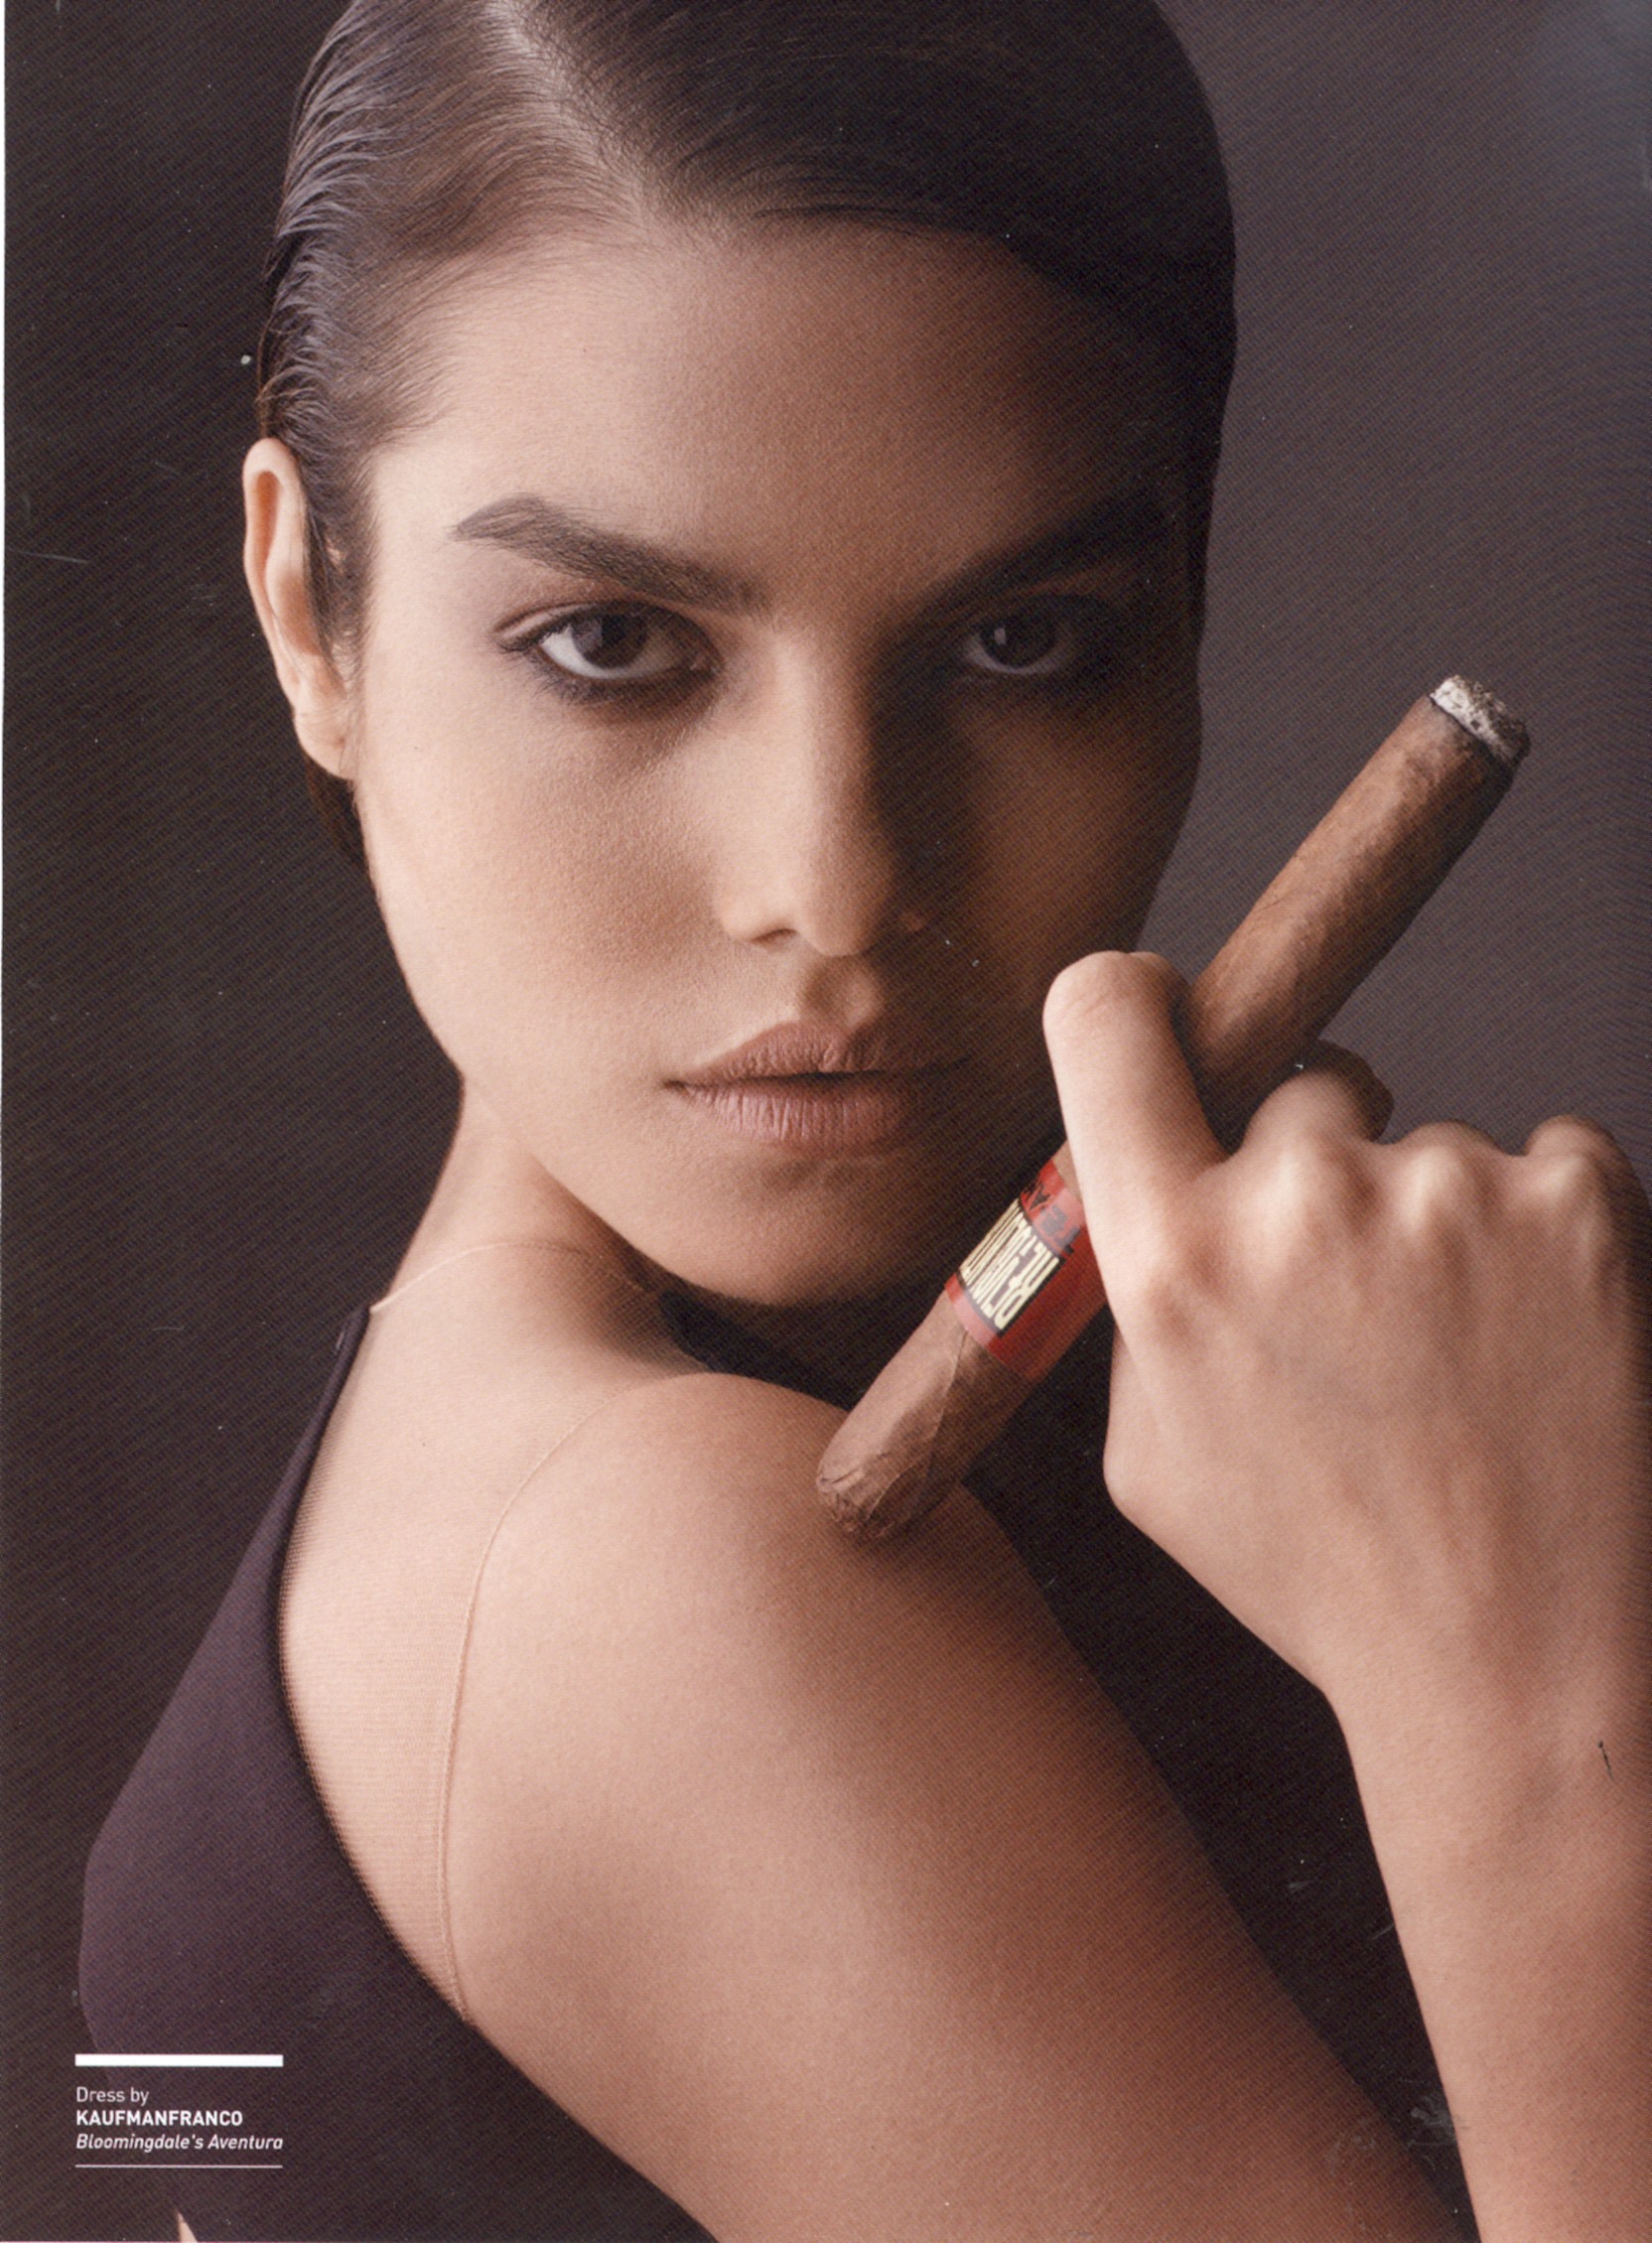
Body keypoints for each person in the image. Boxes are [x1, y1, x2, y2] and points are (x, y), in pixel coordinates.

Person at [80, 2, 1651, 2238]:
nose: (834, 884)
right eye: (613, 642)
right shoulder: (638, 1584)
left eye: (1024, 644)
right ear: (306, 609)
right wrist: (1530, 1695)